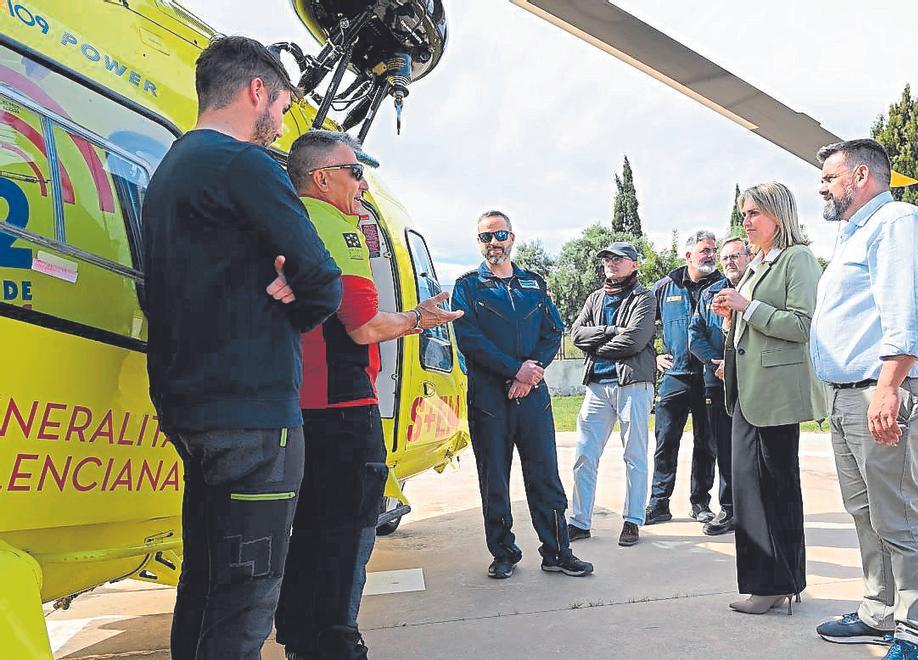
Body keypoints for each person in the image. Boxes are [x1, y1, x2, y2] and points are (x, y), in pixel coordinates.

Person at [141, 36, 343, 659]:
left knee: (203, 581)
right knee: (248, 596)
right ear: (257, 91)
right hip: (254, 418)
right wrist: (300, 293)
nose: (280, 124)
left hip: (189, 410)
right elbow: (323, 281)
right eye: (281, 108)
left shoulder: (169, 172)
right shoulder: (246, 165)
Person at [273, 131, 461, 659]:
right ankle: (332, 641)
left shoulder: (284, 220)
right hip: (343, 402)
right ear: (322, 177)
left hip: (296, 401)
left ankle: (297, 635)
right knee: (348, 529)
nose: (362, 184)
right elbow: (362, 326)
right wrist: (418, 319)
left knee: (306, 527)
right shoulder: (336, 223)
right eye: (355, 172)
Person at [809, 139, 918, 660]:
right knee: (866, 511)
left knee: (899, 514)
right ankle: (880, 612)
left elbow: (908, 310)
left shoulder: (900, 224)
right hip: (853, 393)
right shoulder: (859, 234)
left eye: (829, 177)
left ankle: (916, 634)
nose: (822, 186)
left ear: (863, 176)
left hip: (887, 389)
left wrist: (888, 386)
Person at [451, 211, 593, 579]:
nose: (493, 243)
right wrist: (514, 370)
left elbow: (553, 331)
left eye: (499, 235)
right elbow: (470, 340)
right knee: (494, 477)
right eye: (485, 237)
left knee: (545, 473)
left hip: (532, 396)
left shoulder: (533, 283)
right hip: (489, 398)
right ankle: (503, 553)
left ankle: (558, 551)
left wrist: (530, 375)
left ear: (512, 237)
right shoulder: (467, 287)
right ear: (478, 243)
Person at [710, 182, 825, 615]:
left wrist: (747, 306)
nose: (746, 222)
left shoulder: (798, 259)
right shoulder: (760, 262)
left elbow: (803, 325)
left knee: (771, 490)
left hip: (774, 396)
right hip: (748, 392)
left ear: (778, 215)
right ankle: (778, 581)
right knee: (753, 489)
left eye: (754, 213)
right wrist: (731, 317)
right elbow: (752, 327)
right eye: (743, 214)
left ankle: (775, 584)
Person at [567, 241, 657, 547]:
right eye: (607, 259)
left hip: (633, 384)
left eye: (618, 259)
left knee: (634, 455)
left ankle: (632, 520)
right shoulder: (595, 298)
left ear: (633, 264)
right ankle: (579, 521)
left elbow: (634, 341)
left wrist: (599, 345)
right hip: (598, 386)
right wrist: (610, 331)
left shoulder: (644, 297)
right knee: (584, 454)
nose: (611, 263)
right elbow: (576, 335)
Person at [646, 231, 724, 525]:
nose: (710, 255)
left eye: (713, 250)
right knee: (666, 441)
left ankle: (700, 503)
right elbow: (643, 326)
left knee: (707, 443)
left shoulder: (721, 286)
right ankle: (659, 503)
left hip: (710, 377)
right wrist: (653, 356)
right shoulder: (665, 287)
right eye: (705, 250)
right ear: (688, 255)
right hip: (676, 376)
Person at [688, 236, 751, 536]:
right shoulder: (709, 294)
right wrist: (717, 363)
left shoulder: (757, 289)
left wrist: (737, 364)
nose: (729, 262)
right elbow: (694, 335)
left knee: (755, 448)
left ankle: (755, 510)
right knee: (724, 448)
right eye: (725, 258)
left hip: (754, 383)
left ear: (749, 258)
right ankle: (729, 509)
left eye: (736, 256)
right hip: (718, 382)